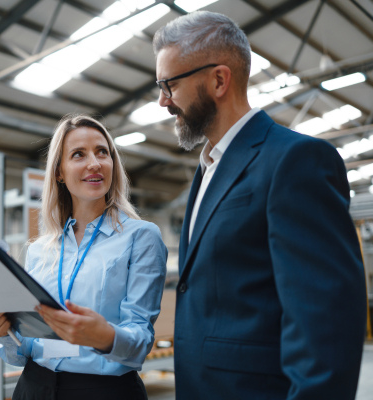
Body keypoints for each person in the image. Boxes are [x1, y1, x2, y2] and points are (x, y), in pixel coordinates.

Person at [152, 11, 367, 400]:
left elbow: (326, 323)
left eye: (170, 84)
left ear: (219, 79)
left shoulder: (295, 160)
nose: (163, 101)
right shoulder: (208, 169)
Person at [0, 114, 167, 400]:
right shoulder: (39, 250)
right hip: (34, 386)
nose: (94, 162)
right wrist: (3, 332)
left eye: (102, 152)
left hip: (103, 392)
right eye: (78, 154)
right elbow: (23, 353)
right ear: (59, 172)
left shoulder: (141, 237)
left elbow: (141, 341)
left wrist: (104, 335)